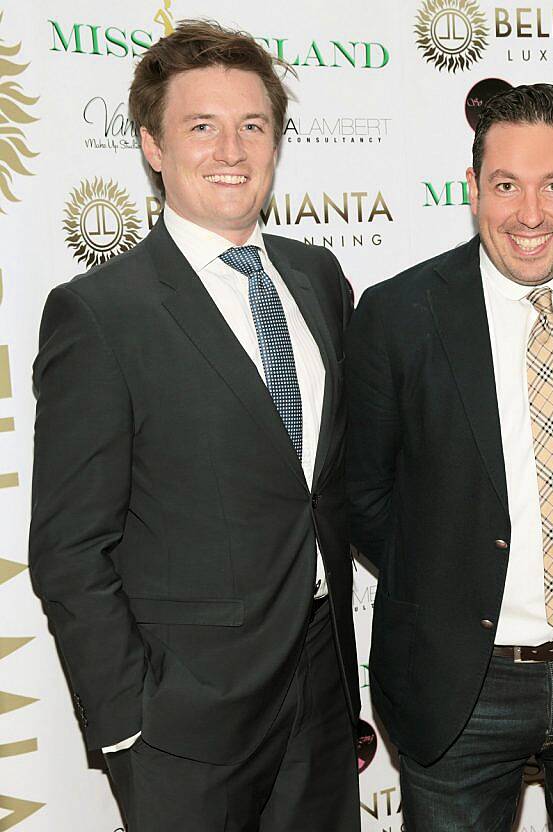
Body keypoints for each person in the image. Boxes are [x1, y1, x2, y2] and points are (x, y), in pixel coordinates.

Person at [29, 21, 359, 831]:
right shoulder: (100, 314)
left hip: (321, 690)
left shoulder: (317, 277)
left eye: (253, 126)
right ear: (152, 145)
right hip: (185, 723)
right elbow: (69, 547)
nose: (231, 150)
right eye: (200, 127)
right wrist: (127, 721)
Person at [346, 83, 553, 831]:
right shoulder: (398, 316)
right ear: (472, 190)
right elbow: (364, 498)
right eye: (506, 185)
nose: (529, 214)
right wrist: (447, 579)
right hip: (460, 687)